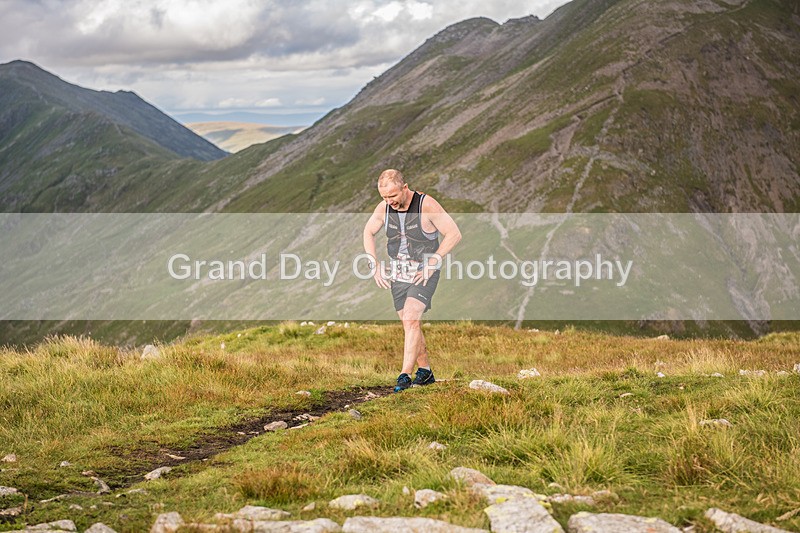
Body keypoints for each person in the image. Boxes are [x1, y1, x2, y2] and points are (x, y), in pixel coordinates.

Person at [363, 169, 461, 392]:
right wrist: (374, 264)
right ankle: (425, 372)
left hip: (423, 272)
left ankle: (404, 376)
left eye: (393, 196)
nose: (390, 202)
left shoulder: (426, 205)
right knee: (410, 325)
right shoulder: (384, 207)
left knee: (411, 319)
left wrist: (434, 261)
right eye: (385, 198)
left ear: (404, 188)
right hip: (398, 274)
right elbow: (368, 232)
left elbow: (454, 233)